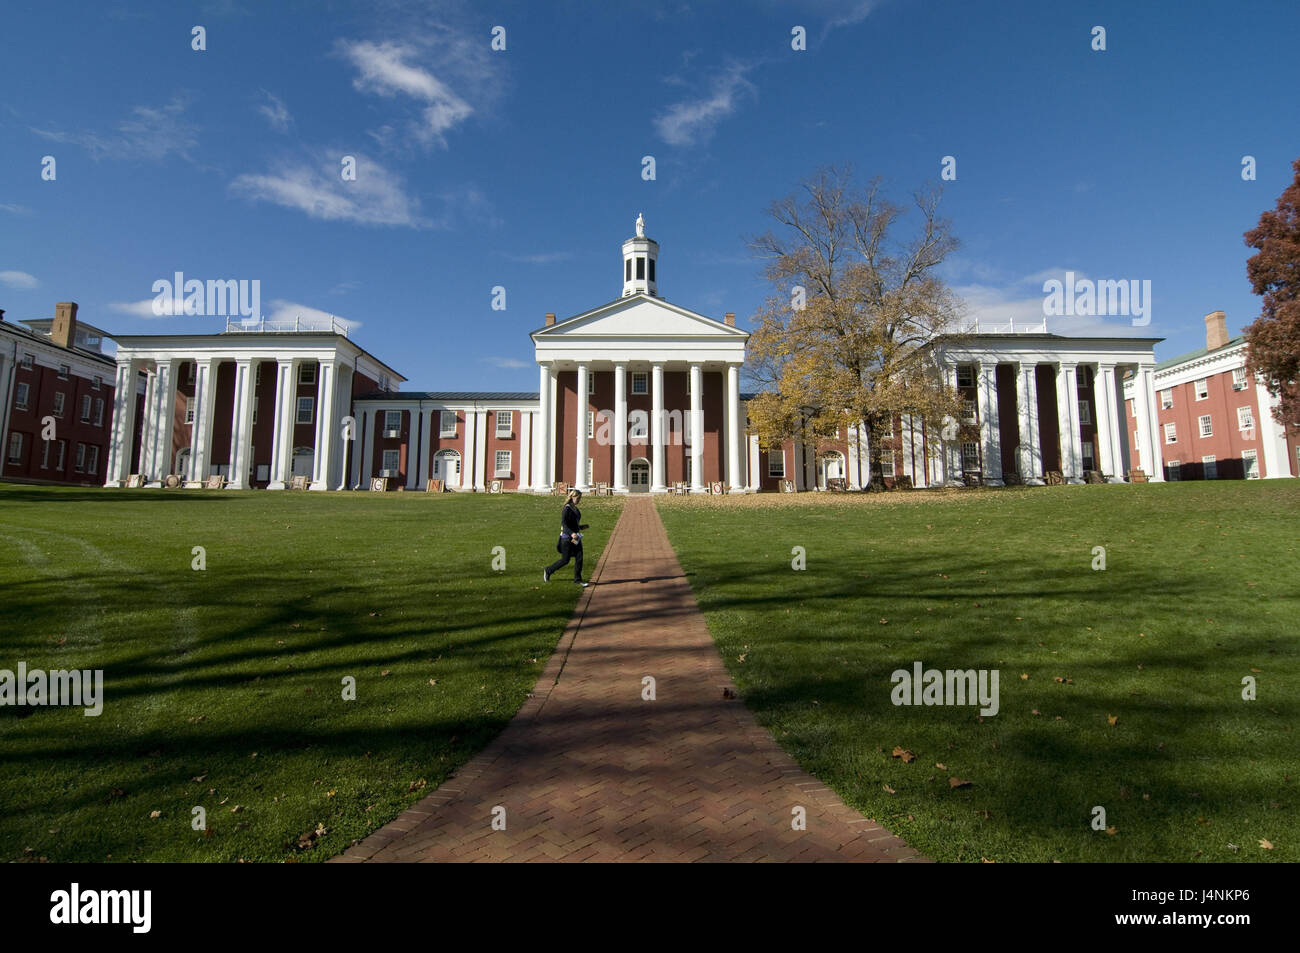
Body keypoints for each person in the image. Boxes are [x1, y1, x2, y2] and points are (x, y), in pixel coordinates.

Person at [544, 488, 590, 586]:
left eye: (580, 498)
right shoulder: (567, 508)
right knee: (565, 560)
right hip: (566, 538)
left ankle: (578, 579)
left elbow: (574, 524)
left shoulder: (575, 508)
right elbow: (564, 524)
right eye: (578, 498)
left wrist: (581, 527)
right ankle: (548, 570)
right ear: (572, 497)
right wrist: (571, 533)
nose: (579, 500)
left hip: (576, 538)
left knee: (579, 557)